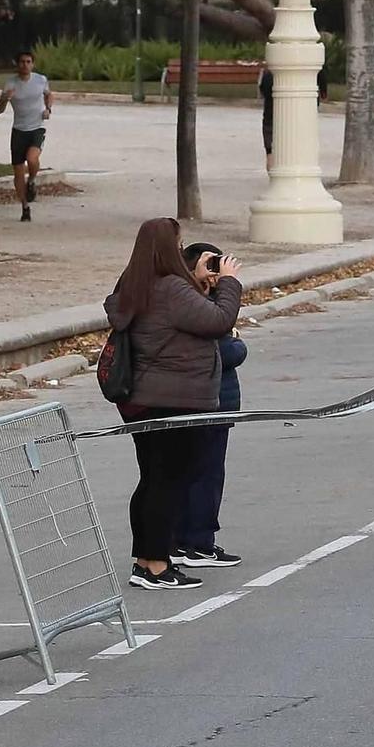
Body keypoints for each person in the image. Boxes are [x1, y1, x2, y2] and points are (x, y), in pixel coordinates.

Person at [103, 217, 243, 590]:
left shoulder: (135, 285)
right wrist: (228, 282)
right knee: (167, 482)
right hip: (173, 399)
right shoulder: (170, 289)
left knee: (152, 479)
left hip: (142, 398)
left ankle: (146, 559)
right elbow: (219, 320)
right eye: (178, 245)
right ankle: (157, 564)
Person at [174, 243, 246, 571]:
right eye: (208, 265)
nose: (215, 271)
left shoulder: (210, 303)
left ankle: (193, 540)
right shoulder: (193, 306)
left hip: (219, 401)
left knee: (207, 473)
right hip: (205, 402)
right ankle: (194, 542)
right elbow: (229, 352)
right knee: (201, 475)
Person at [0, 51, 51, 222]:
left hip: (37, 127)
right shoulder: (11, 83)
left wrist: (48, 109)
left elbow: (48, 94)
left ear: (32, 64)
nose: (25, 65)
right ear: (17, 64)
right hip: (19, 130)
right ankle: (25, 207)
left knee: (32, 159)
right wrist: (5, 99)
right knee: (18, 172)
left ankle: (32, 180)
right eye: (22, 62)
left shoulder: (40, 80)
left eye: (28, 62)